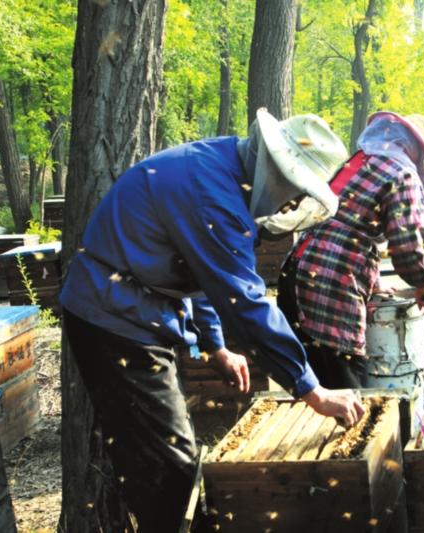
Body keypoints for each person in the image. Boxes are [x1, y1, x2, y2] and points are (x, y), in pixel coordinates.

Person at [60, 109, 366, 532]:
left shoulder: (220, 162)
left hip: (132, 310)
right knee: (171, 470)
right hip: (115, 321)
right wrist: (310, 389)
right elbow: (246, 301)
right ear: (272, 169)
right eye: (292, 190)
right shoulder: (214, 198)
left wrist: (214, 344)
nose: (290, 203)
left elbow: (198, 275)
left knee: (164, 458)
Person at [277, 111, 424, 388]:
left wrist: (373, 284)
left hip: (297, 267)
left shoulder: (358, 162)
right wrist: (423, 284)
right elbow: (405, 242)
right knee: (345, 386)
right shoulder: (404, 176)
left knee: (309, 380)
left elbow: (353, 226)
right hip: (330, 281)